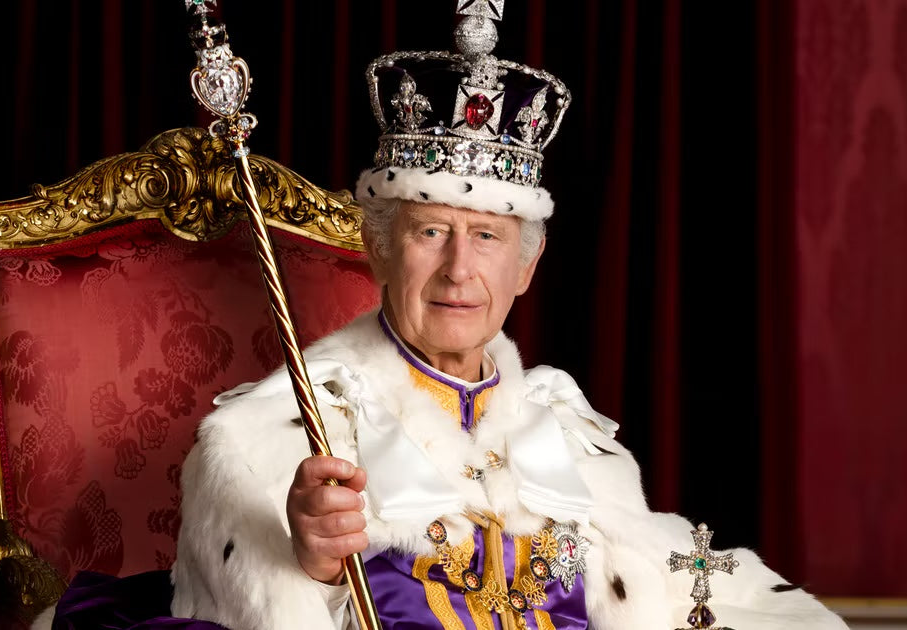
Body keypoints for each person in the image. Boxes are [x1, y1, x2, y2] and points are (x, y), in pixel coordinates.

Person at [168, 5, 848, 630]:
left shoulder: (568, 433)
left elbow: (668, 580)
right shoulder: (267, 439)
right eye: (431, 232)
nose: (459, 269)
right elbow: (242, 597)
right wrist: (307, 560)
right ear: (377, 248)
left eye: (488, 238)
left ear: (525, 266)